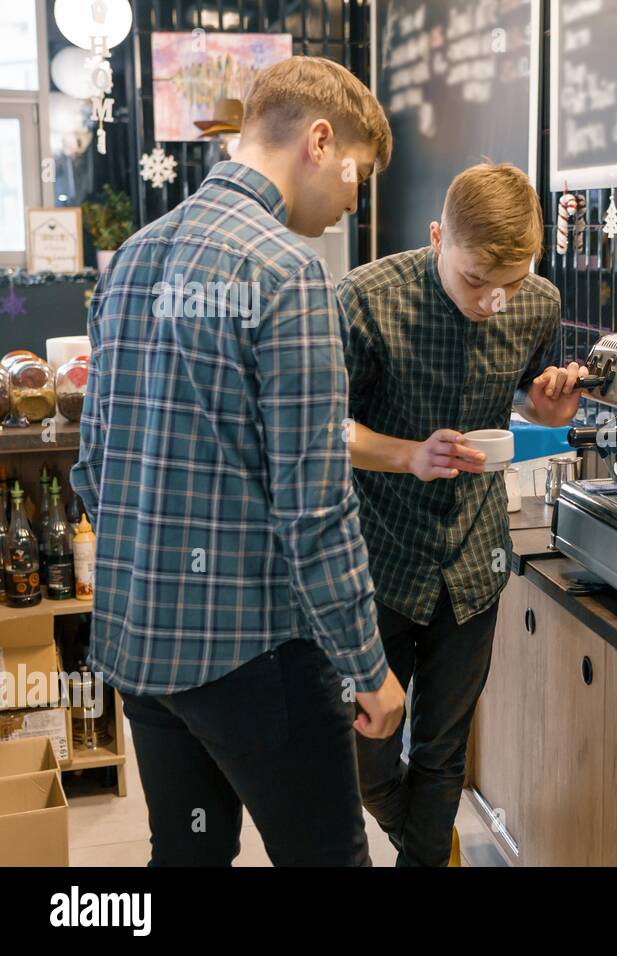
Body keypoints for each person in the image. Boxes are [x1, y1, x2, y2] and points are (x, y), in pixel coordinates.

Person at [70, 57, 406, 867]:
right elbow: (316, 511)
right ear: (319, 142)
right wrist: (370, 668)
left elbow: (92, 467)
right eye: (359, 173)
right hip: (253, 655)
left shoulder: (133, 262)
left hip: (140, 648)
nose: (357, 198)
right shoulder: (292, 276)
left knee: (187, 857)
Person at [336, 162, 586, 866]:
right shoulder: (365, 300)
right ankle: (426, 839)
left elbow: (524, 400)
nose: (490, 302)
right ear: (437, 235)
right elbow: (322, 429)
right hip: (378, 559)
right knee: (367, 755)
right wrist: (410, 454)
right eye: (475, 281)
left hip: (472, 562)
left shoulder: (535, 303)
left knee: (444, 754)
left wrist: (547, 409)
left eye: (507, 285)